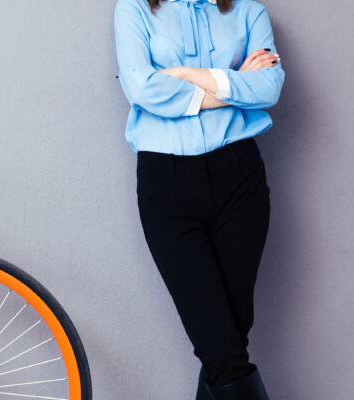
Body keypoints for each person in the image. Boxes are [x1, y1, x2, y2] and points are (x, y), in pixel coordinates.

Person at [113, 0, 284, 399]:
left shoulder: (248, 12)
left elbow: (269, 87)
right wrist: (232, 83)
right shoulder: (134, 8)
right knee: (221, 345)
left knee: (228, 339)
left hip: (239, 180)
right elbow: (141, 88)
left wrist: (188, 74)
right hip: (166, 184)